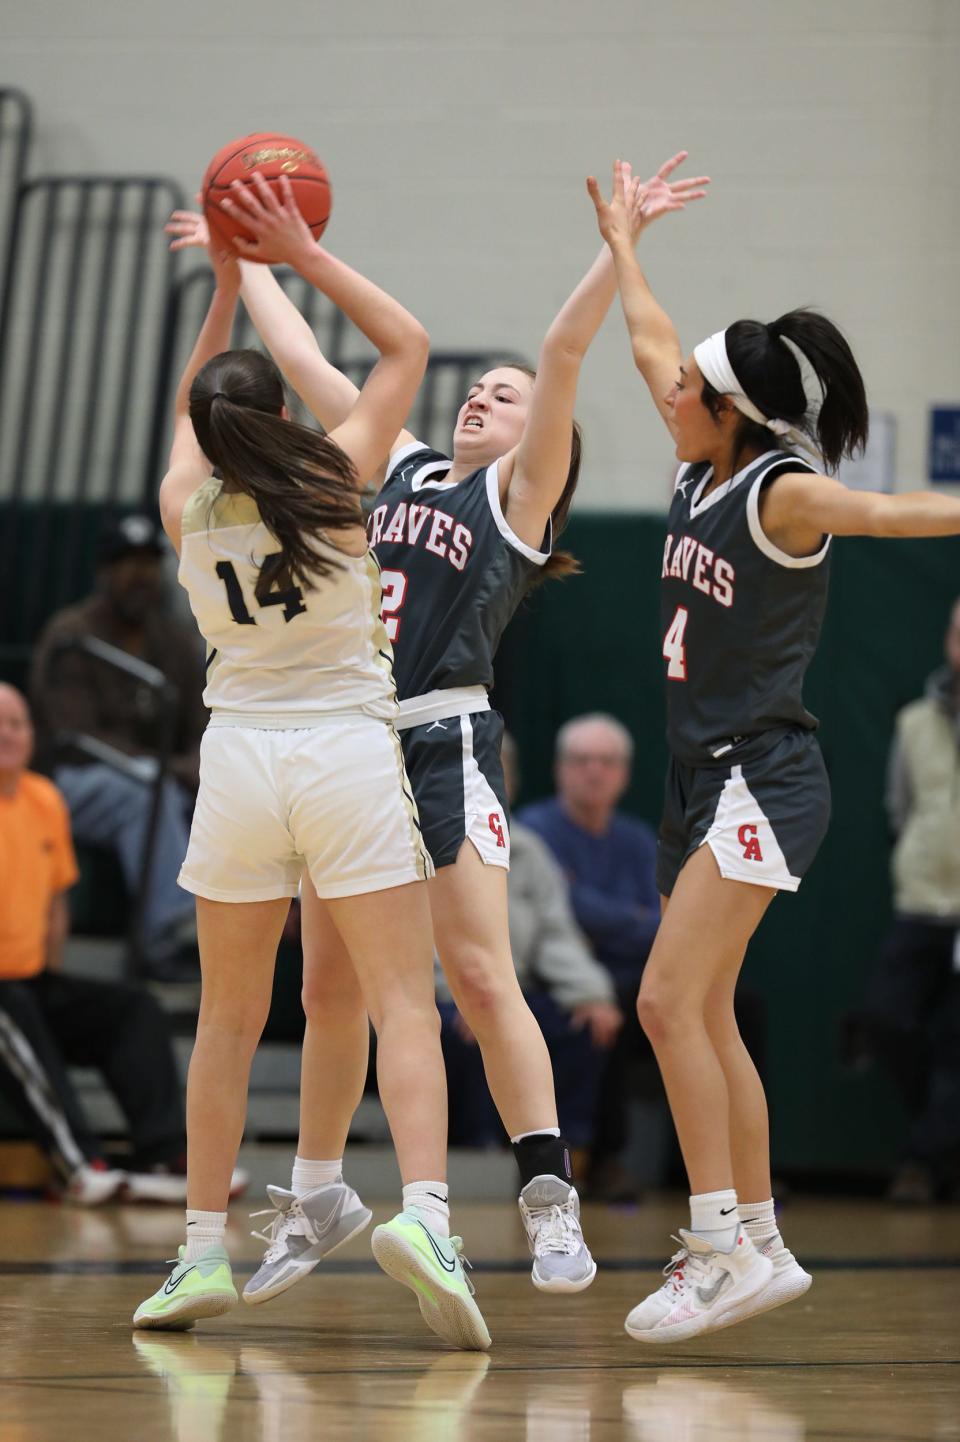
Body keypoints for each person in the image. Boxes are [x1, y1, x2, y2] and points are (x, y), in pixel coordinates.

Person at [167, 149, 708, 1296]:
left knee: (476, 969)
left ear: (537, 440)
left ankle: (550, 1201)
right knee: (327, 992)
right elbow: (310, 366)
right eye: (481, 389)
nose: (484, 398)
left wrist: (618, 251)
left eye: (503, 397)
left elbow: (561, 356)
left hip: (442, 738)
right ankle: (318, 1198)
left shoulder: (512, 504)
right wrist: (256, 258)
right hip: (344, 735)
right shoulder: (396, 466)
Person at [587, 159, 960, 1343]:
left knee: (661, 1000)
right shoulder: (703, 456)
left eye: (687, 387)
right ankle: (760, 1238)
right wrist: (628, 245)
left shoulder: (782, 492)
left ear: (728, 405)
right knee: (706, 1014)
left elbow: (899, 513)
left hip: (769, 772)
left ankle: (714, 1244)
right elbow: (649, 342)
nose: (667, 391)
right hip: (705, 777)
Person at [134, 185, 490, 1353]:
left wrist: (228, 279)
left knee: (229, 1020)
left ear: (200, 425)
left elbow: (200, 412)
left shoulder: (184, 503)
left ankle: (197, 1250)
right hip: (343, 750)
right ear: (284, 411)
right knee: (401, 1000)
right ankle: (427, 1217)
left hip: (237, 759)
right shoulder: (338, 480)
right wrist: (291, 256)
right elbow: (408, 345)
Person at [0, 684, 236, 1205]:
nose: (9, 734)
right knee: (11, 1006)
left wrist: (48, 979)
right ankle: (82, 1165)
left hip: (29, 978)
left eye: (18, 723)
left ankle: (169, 1153)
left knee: (134, 1009)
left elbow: (56, 905)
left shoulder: (45, 800)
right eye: (0, 723)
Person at [30, 515, 206, 978]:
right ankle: (167, 936)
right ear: (104, 572)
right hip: (74, 783)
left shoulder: (173, 639)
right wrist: (169, 767)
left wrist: (194, 764)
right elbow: (78, 738)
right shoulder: (72, 633)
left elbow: (202, 722)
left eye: (149, 562)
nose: (140, 576)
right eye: (127, 563)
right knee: (145, 796)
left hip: (164, 779)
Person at [438, 730, 623, 1150]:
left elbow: (556, 935)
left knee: (583, 1025)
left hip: (510, 991)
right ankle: (477, 1152)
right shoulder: (415, 847)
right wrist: (465, 994)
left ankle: (569, 1158)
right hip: (441, 995)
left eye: (496, 773)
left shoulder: (527, 851)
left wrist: (590, 994)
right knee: (463, 1029)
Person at [519, 713, 660, 1195]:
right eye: (581, 761)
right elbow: (565, 916)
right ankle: (603, 1158)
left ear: (624, 772)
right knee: (609, 1009)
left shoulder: (638, 840)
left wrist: (613, 923)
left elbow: (661, 928)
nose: (594, 772)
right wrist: (633, 919)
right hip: (562, 974)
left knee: (734, 1005)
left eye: (607, 762)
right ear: (560, 768)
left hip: (637, 968)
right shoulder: (535, 831)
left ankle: (727, 1167)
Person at [861, 598, 960, 1203]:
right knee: (885, 1018)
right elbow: (900, 809)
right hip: (923, 902)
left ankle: (922, 1161)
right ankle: (937, 1132)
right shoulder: (915, 722)